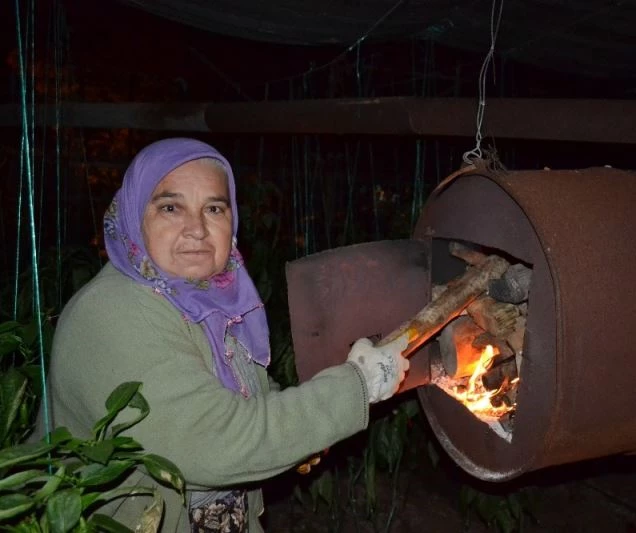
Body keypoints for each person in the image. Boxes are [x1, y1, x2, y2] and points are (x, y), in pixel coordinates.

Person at [36, 138, 410, 532]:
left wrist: (306, 435)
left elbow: (253, 401)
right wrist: (354, 388)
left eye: (214, 208)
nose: (197, 229)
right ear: (133, 217)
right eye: (170, 207)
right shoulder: (113, 312)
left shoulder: (207, 302)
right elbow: (214, 443)